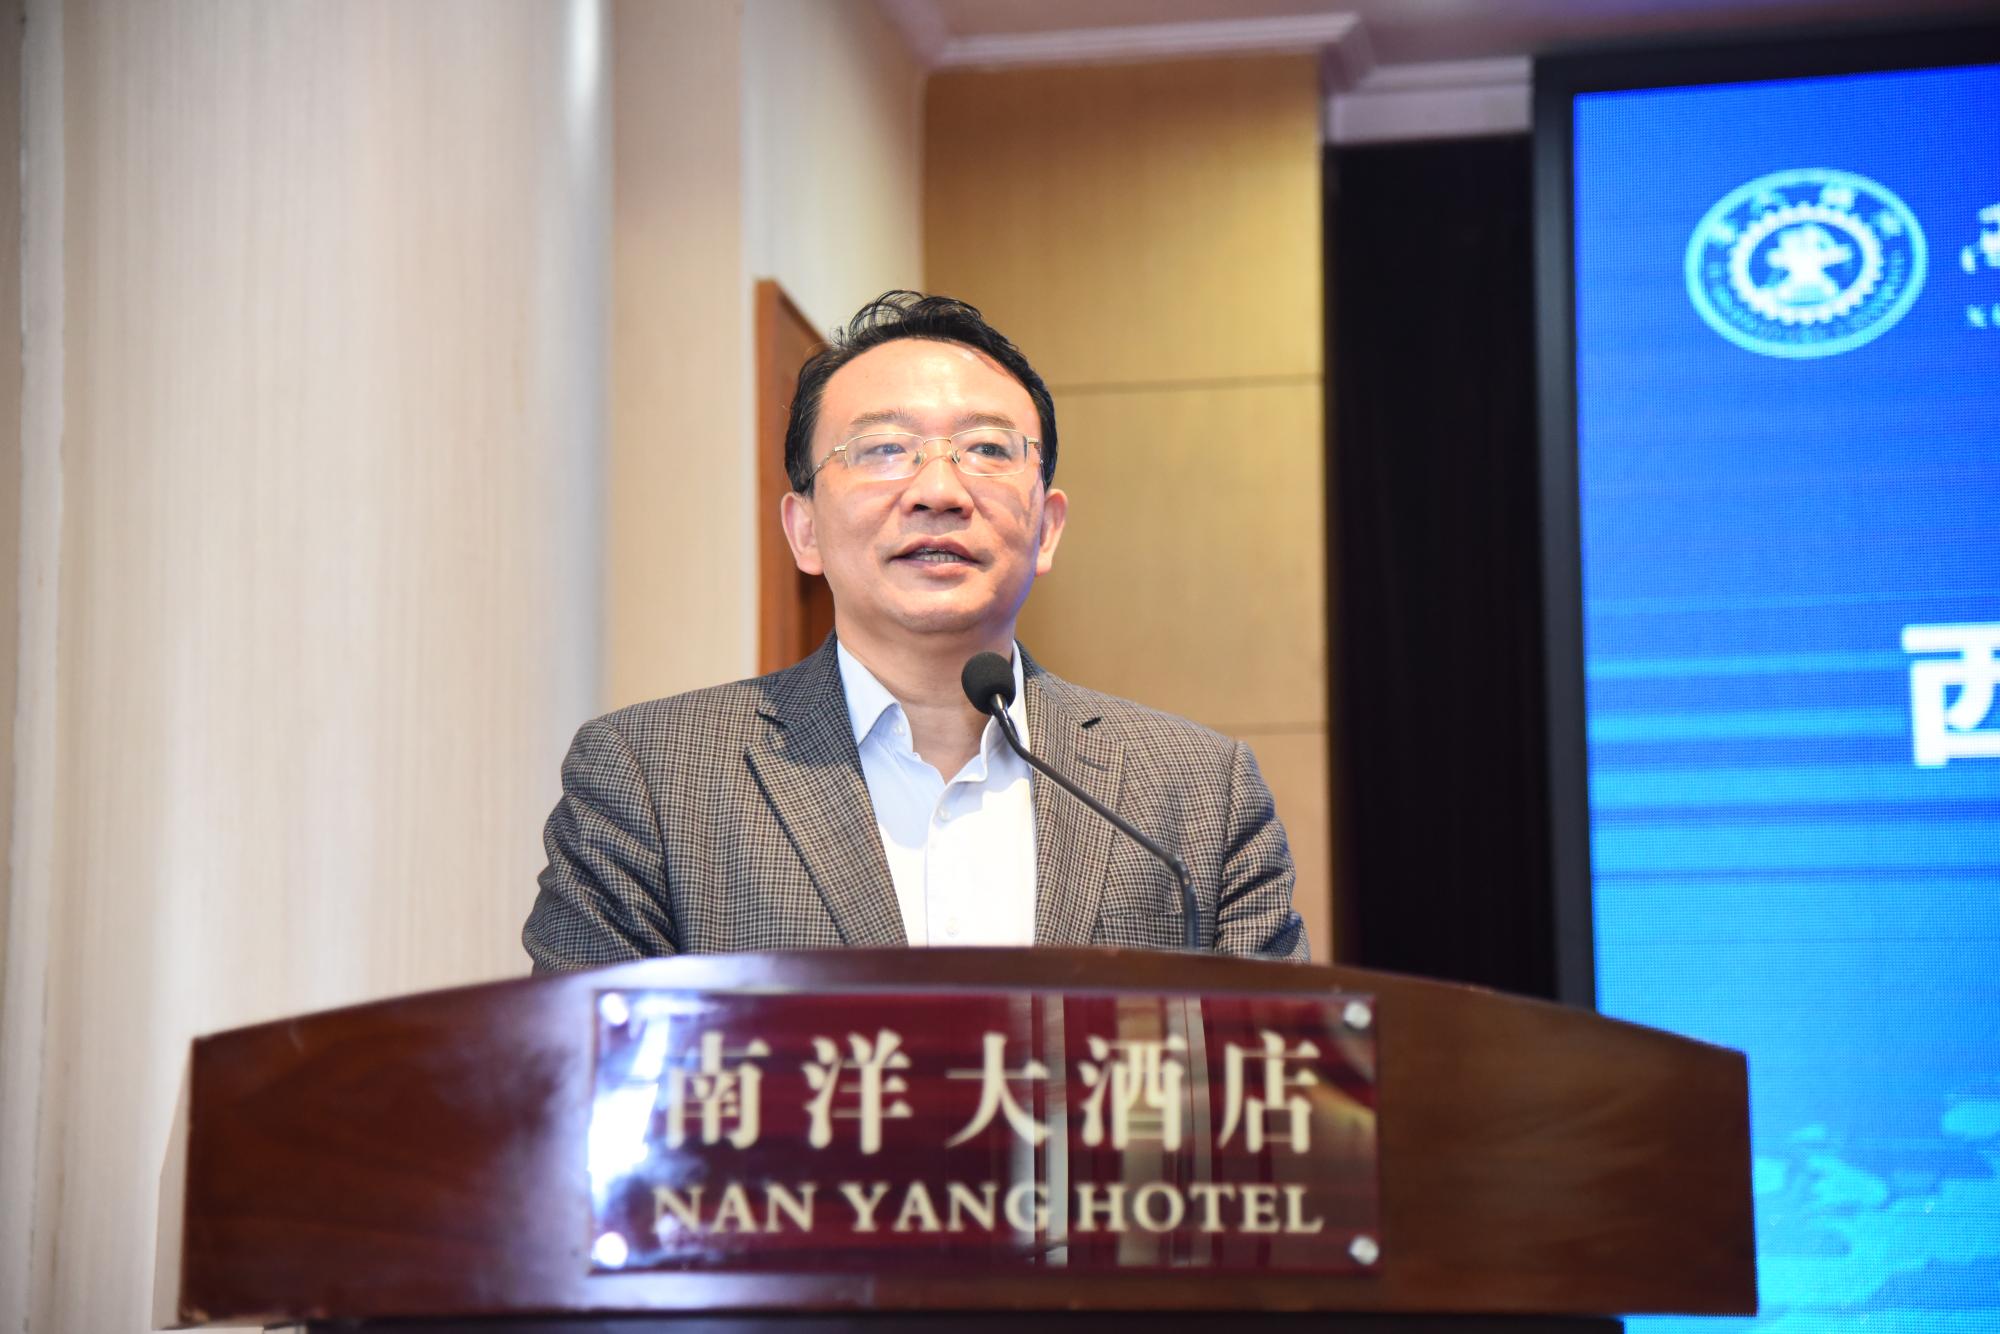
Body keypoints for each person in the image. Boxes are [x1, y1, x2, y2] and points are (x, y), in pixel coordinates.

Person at [523, 291, 1307, 969]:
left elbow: (1276, 1076)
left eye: (987, 449)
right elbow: (584, 1074)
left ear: (1047, 528)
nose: (939, 490)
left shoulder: (1197, 794)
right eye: (884, 449)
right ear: (804, 531)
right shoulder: (653, 780)